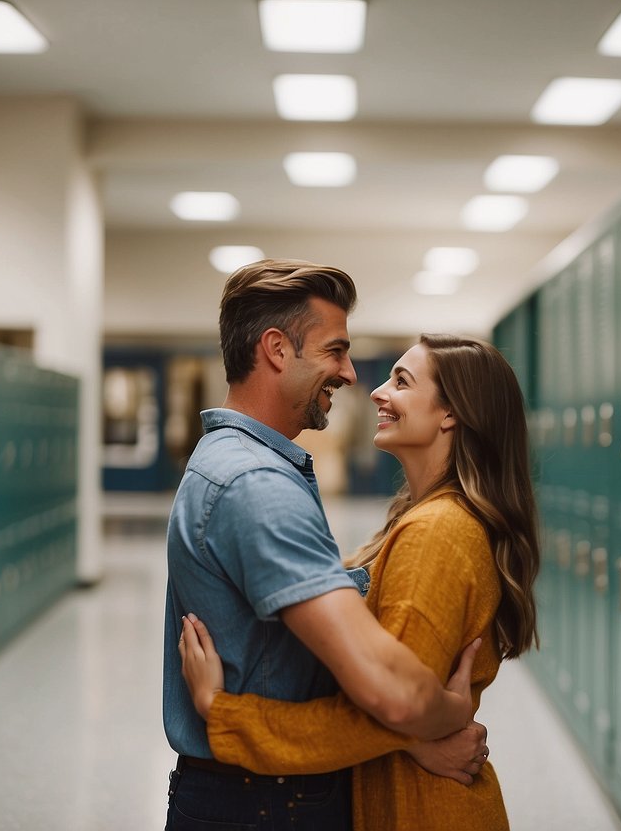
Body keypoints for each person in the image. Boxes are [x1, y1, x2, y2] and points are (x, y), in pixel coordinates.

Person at [162, 261, 483, 831]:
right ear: (278, 349)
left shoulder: (237, 467)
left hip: (259, 790)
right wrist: (444, 717)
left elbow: (303, 662)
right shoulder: (255, 485)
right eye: (336, 351)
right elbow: (390, 688)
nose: (352, 374)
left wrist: (404, 741)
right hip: (266, 804)